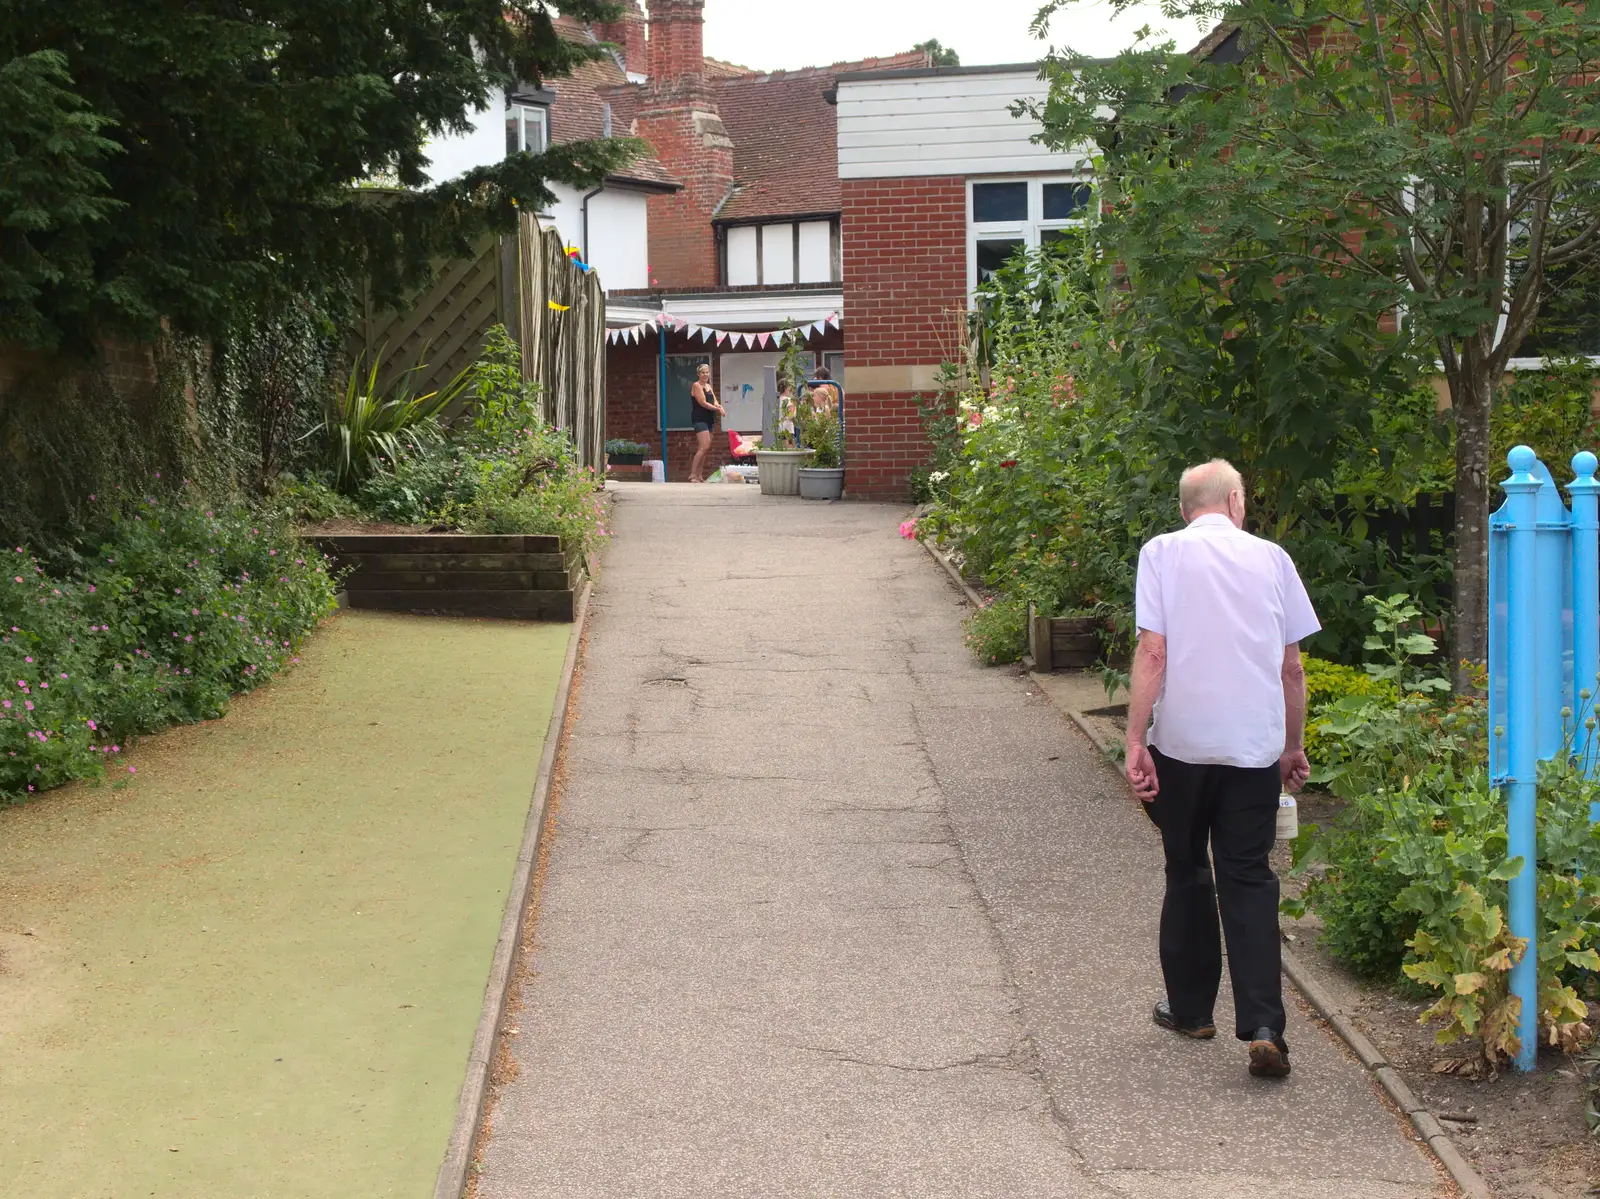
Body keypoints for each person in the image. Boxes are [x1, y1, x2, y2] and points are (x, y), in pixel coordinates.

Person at [1124, 458, 1318, 1080]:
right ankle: (1264, 1024)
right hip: (1253, 749)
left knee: (1186, 867)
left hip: (1180, 746)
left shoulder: (1160, 553)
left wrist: (1134, 740)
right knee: (1248, 876)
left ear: (1186, 509)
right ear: (1236, 501)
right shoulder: (1273, 559)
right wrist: (1293, 745)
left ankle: (1190, 1010)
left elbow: (1154, 650)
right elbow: (1291, 668)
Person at [688, 363, 725, 484]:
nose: (705, 374)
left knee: (705, 448)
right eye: (703, 372)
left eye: (707, 372)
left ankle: (699, 475)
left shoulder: (708, 386)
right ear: (698, 374)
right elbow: (703, 403)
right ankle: (692, 475)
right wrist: (717, 409)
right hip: (700, 419)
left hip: (710, 419)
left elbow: (714, 400)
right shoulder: (696, 385)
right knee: (704, 446)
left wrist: (720, 407)